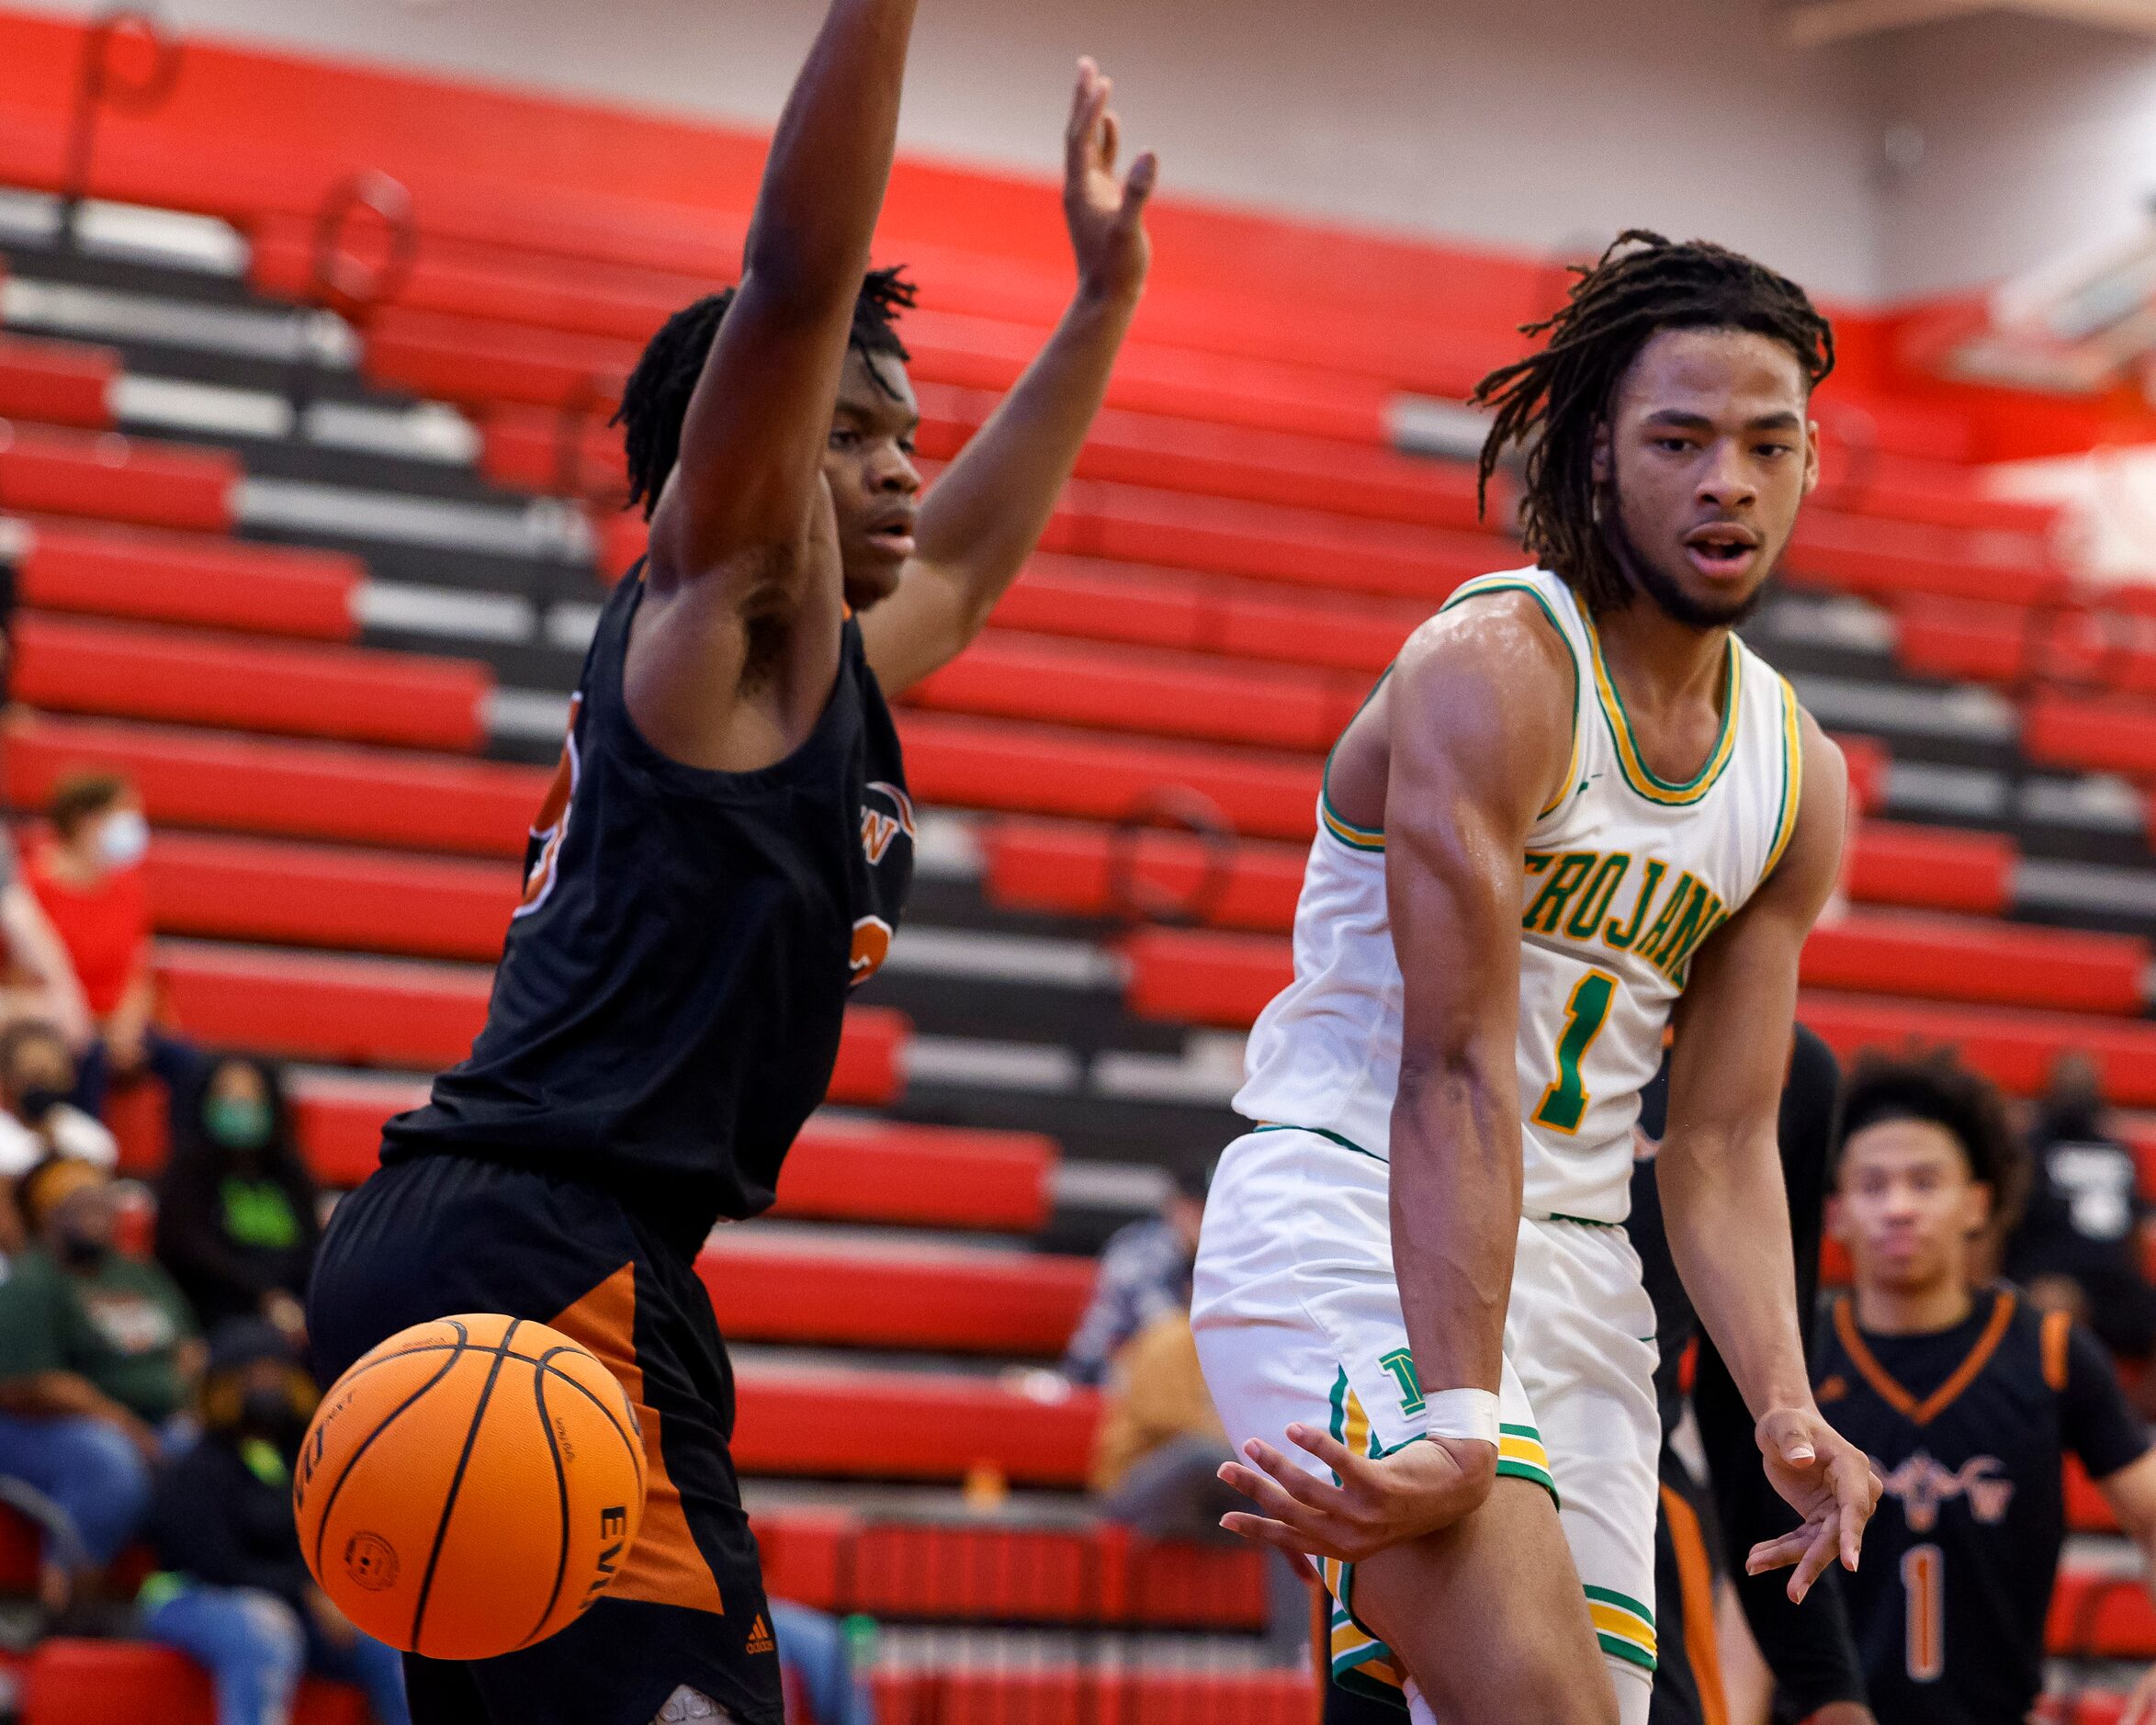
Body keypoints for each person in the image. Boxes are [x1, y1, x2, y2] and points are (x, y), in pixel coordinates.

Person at [304, 7, 1157, 1721]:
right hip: (543, 1249)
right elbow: (788, 277)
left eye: (905, 425)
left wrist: (1104, 299)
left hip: (531, 1243)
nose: (902, 457)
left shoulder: (803, 666)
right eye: (851, 429)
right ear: (748, 455)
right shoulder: (718, 609)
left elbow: (974, 567)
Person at [1191, 232, 1879, 1725]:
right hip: (1355, 1210)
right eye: (1679, 441)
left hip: (1582, 1278)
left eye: (1769, 444)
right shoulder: (1493, 665)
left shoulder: (1797, 773)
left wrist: (1779, 1396)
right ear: (1594, 457)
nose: (1728, 482)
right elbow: (1451, 1070)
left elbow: (1716, 1141)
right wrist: (1457, 1410)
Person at [1818, 1050, 2156, 1725]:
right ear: (1835, 1211)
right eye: (1873, 1184)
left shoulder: (2049, 1352)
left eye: (1923, 1182)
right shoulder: (1793, 1357)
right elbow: (1746, 1586)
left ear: (1977, 1202)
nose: (1898, 1207)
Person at [1631, 1027, 1870, 1725]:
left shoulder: (1785, 1066)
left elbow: (1754, 1415)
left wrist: (1829, 1689)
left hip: (1631, 1478)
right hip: (1427, 1442)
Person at [141, 1317, 410, 1725]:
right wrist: (307, 1589)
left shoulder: (302, 1457)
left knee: (386, 1638)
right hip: (190, 1593)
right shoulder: (196, 1462)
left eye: (276, 1373)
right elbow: (217, 1564)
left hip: (285, 1601)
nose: (267, 1386)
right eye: (251, 1374)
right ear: (221, 1384)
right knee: (264, 1630)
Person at [0, 1155, 199, 1608]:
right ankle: (67, 1594)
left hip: (155, 1419)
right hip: (42, 1428)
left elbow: (188, 1350)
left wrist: (192, 1404)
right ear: (49, 1214)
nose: (96, 1214)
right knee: (109, 1460)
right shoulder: (32, 1283)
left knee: (202, 1453)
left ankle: (186, 1596)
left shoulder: (138, 1274)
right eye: (80, 1204)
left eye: (102, 1203)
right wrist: (125, 1424)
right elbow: (30, 1385)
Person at [26, 771, 181, 1115]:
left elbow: (138, 967)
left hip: (116, 1024)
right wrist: (94, 1025)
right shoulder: (32, 888)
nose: (136, 825)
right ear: (88, 820)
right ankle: (86, 1160)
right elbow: (25, 974)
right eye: (125, 813)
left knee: (189, 1064)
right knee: (89, 1053)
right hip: (59, 1021)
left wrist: (127, 1025)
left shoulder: (128, 887)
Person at [2007, 1050, 2156, 1370]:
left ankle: (2134, 1417)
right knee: (2055, 1306)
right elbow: (2005, 1220)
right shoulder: (2028, 1149)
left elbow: (2136, 1221)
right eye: (2069, 1083)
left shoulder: (2117, 1151)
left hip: (2114, 1282)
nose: (2077, 1093)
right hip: (2050, 1276)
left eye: (2084, 1084)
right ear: (2049, 1088)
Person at [153, 1054, 318, 1340]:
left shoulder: (292, 1177)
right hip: (215, 1322)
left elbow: (311, 1250)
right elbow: (191, 1254)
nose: (240, 1104)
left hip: (293, 1316)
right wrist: (266, 1297)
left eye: (250, 1095)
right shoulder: (186, 1175)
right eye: (227, 1094)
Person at [1060, 1167, 1207, 1389]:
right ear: (1175, 1205)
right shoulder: (1141, 1251)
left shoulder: (1214, 1257)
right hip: (1098, 1377)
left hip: (1165, 1380)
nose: (1205, 1217)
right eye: (1197, 1207)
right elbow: (1165, 1332)